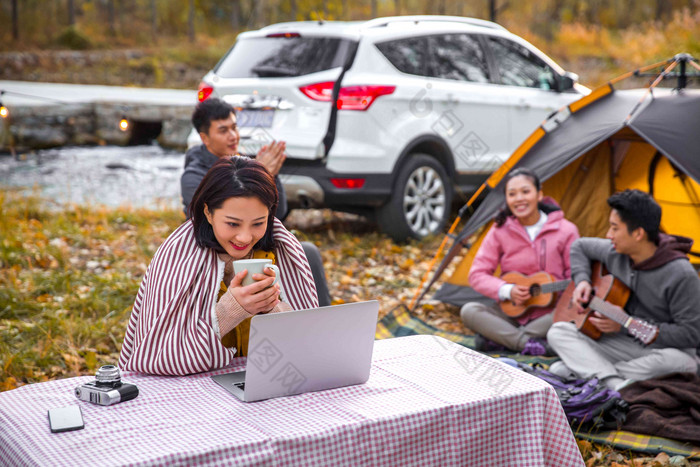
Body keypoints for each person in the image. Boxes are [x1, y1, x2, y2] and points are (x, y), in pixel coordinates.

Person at [120, 157, 319, 375]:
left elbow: (307, 346)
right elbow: (157, 358)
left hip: (267, 382)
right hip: (190, 391)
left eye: (258, 223)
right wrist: (230, 309)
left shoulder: (284, 251)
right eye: (232, 223)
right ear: (208, 212)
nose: (244, 237)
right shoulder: (178, 255)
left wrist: (273, 307)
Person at [181, 97, 331, 306]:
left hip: (256, 243)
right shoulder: (193, 176)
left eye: (234, 127)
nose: (233, 136)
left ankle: (318, 318)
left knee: (308, 253)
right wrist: (259, 174)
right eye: (223, 130)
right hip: (217, 247)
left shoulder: (244, 163)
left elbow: (278, 214)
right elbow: (201, 223)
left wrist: (267, 177)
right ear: (205, 138)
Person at [547, 189, 700, 390]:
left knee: (685, 364)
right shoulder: (615, 253)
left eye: (614, 228)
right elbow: (579, 246)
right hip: (624, 345)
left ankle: (594, 374)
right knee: (558, 332)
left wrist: (628, 324)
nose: (608, 235)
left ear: (638, 234)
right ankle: (615, 383)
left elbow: (690, 334)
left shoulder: (681, 274)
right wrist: (582, 280)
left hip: (662, 350)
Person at [460, 168, 580, 355]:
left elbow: (576, 279)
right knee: (469, 310)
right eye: (512, 194)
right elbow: (477, 274)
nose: (519, 199)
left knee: (573, 313)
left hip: (550, 316)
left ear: (539, 194)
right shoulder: (499, 230)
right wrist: (507, 290)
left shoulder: (566, 230)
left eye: (525, 192)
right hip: (511, 314)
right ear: (507, 199)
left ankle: (505, 340)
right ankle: (531, 345)